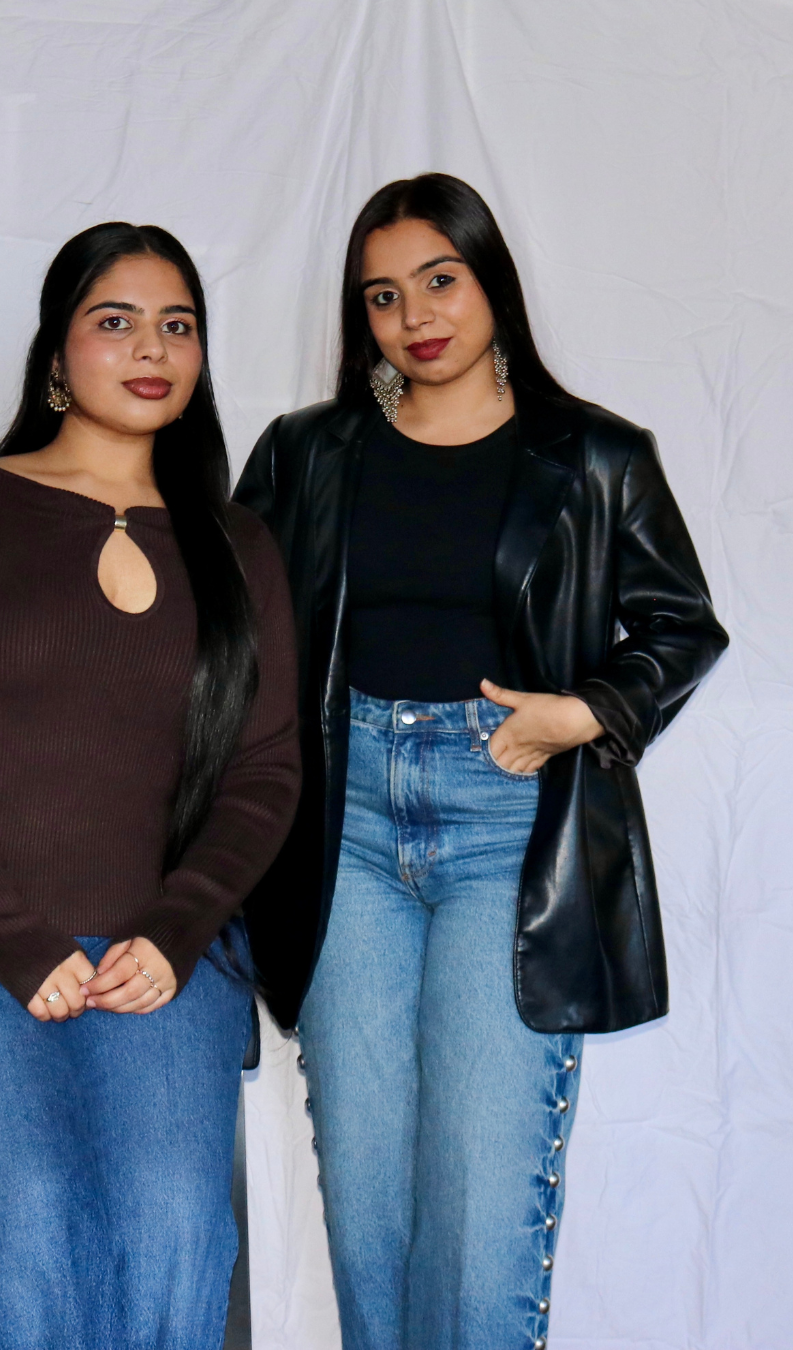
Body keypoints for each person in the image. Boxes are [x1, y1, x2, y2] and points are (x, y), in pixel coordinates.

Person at [234, 173, 728, 1350]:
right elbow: (235, 625)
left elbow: (681, 624)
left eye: (441, 281)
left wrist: (585, 710)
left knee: (477, 1199)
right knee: (367, 1205)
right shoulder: (309, 453)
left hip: (506, 819)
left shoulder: (596, 456)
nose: (418, 316)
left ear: (490, 282)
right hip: (341, 818)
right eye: (385, 296)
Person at [0, 222, 300, 1350]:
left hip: (161, 947)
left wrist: (178, 928)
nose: (153, 346)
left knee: (173, 1223)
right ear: (57, 354)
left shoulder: (238, 546)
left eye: (178, 324)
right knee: (37, 1217)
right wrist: (13, 936)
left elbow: (264, 770)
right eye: (116, 320)